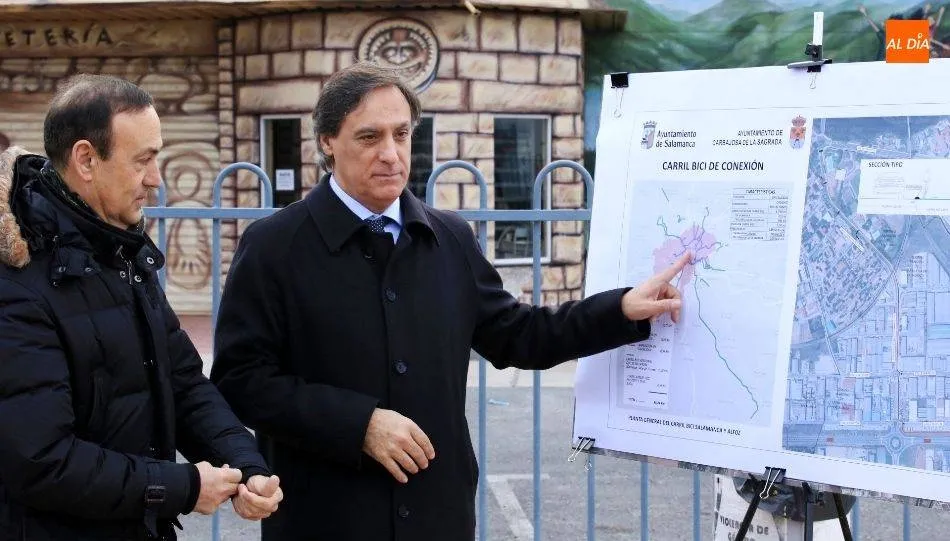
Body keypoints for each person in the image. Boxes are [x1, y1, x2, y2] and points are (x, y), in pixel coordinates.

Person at [210, 61, 690, 541]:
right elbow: (241, 381)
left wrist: (620, 309)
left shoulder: (449, 238)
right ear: (327, 142)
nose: (390, 154)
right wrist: (359, 424)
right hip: (324, 519)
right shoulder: (274, 247)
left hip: (438, 514)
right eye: (369, 137)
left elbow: (521, 335)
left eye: (402, 134)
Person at [0, 74, 284, 540]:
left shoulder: (120, 251)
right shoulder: (17, 282)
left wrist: (244, 464)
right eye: (143, 160)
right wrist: (182, 487)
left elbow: (183, 381)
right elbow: (41, 460)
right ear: (86, 160)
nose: (156, 179)